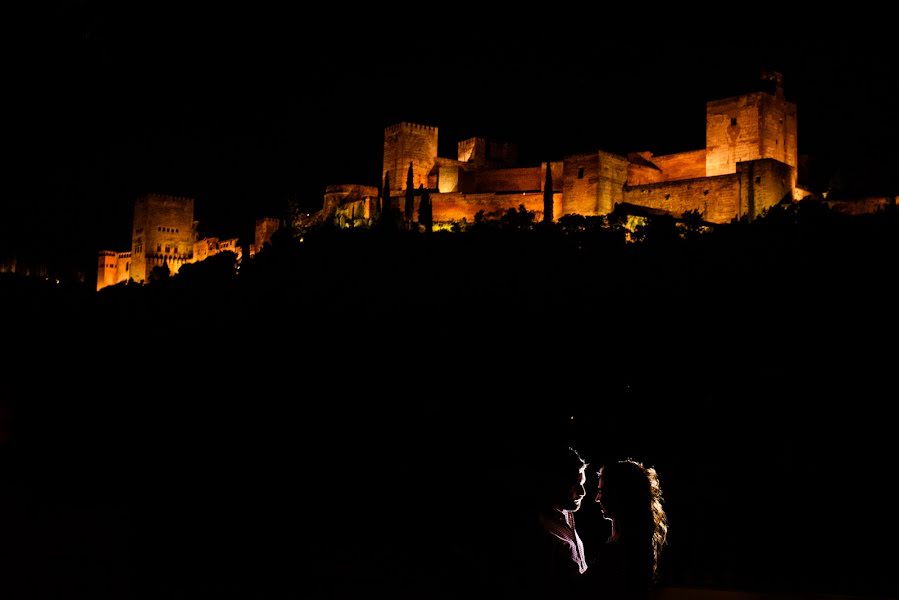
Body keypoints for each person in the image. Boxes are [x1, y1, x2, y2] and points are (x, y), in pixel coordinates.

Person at [512, 445, 589, 599]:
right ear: (555, 483)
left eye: (583, 484)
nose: (582, 492)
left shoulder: (566, 513)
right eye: (574, 486)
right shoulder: (537, 530)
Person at [586, 459, 668, 600]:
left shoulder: (617, 550)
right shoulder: (639, 543)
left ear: (618, 494)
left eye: (602, 491)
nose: (597, 498)